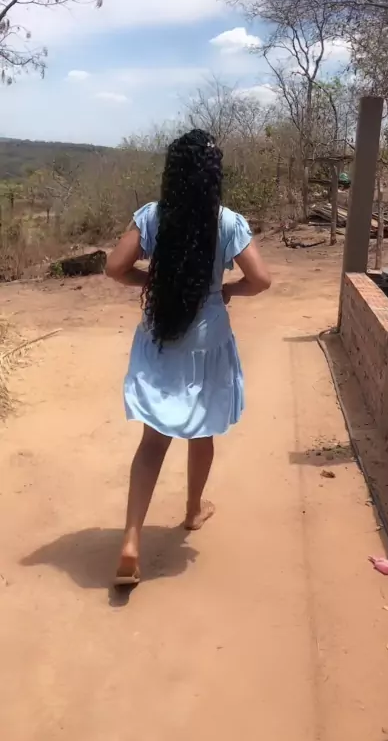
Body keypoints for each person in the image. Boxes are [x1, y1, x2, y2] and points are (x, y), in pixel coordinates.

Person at [106, 129, 271, 585]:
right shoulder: (228, 222)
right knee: (203, 430)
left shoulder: (152, 216)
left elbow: (115, 267)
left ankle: (131, 540)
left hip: (161, 335)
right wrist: (227, 290)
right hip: (208, 339)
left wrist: (155, 282)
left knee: (152, 442)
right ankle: (194, 510)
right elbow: (261, 279)